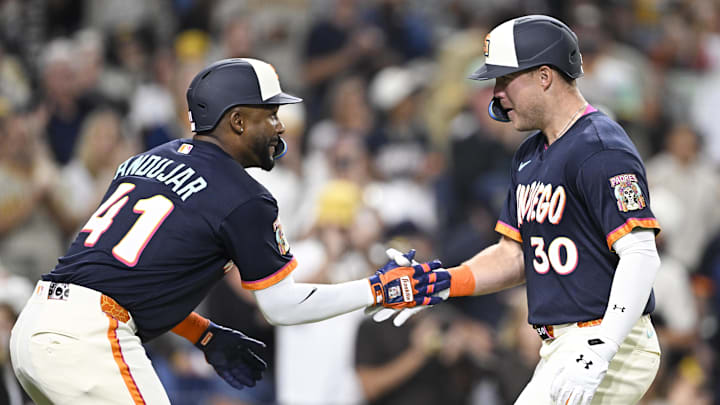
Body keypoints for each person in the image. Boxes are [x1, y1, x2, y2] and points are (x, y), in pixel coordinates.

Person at [8, 57, 447, 405]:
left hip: (36, 327)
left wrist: (202, 332)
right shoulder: (245, 195)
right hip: (89, 340)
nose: (279, 126)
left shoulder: (142, 161)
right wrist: (379, 289)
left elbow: (123, 277)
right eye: (270, 114)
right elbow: (283, 306)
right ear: (237, 121)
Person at [420, 15, 662, 405]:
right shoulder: (530, 154)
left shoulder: (599, 146)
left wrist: (602, 347)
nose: (496, 93)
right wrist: (443, 282)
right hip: (562, 344)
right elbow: (513, 256)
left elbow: (640, 254)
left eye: (504, 79)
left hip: (606, 339)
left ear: (545, 76)